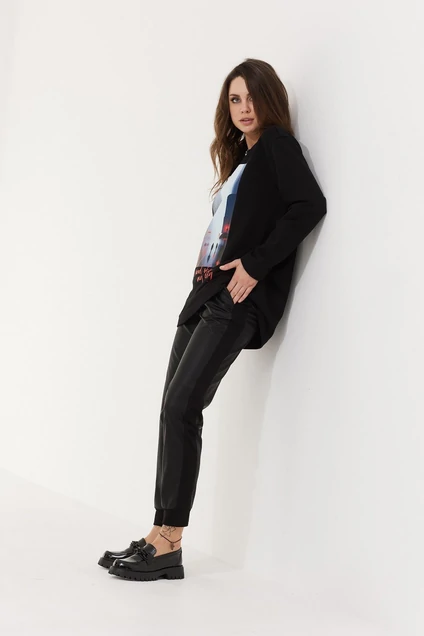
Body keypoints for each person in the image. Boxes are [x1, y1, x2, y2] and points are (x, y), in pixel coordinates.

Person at [98, 57, 327, 581]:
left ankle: (169, 542)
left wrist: (256, 264)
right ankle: (159, 533)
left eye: (252, 97)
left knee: (184, 405)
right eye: (235, 99)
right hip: (205, 295)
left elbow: (309, 204)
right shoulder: (243, 159)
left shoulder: (277, 145)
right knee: (171, 408)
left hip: (236, 300)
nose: (244, 108)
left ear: (271, 99)